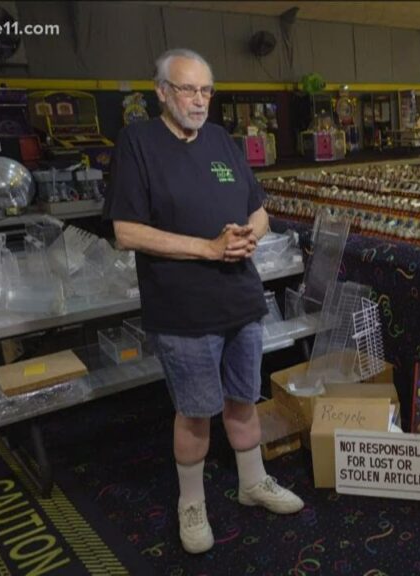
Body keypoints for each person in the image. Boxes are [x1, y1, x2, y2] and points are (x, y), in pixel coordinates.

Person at [104, 48, 303, 555]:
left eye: (206, 90)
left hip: (239, 297)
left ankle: (253, 481)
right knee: (195, 412)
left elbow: (259, 210)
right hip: (182, 309)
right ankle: (191, 503)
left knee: (243, 399)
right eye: (188, 89)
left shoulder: (220, 140)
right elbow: (126, 232)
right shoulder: (138, 143)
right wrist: (208, 249)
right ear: (162, 92)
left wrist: (247, 237)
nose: (199, 100)